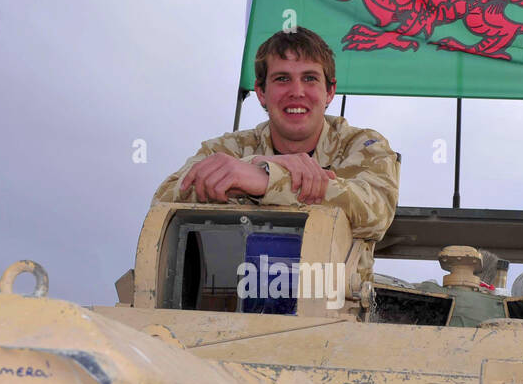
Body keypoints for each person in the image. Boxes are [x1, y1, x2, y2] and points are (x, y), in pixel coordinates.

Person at [152, 28, 400, 244]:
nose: (297, 92)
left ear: (330, 91)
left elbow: (375, 215)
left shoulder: (363, 146)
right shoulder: (230, 149)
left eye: (310, 78)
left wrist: (267, 179)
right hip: (232, 291)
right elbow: (162, 203)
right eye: (282, 79)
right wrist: (256, 164)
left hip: (335, 296)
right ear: (261, 92)